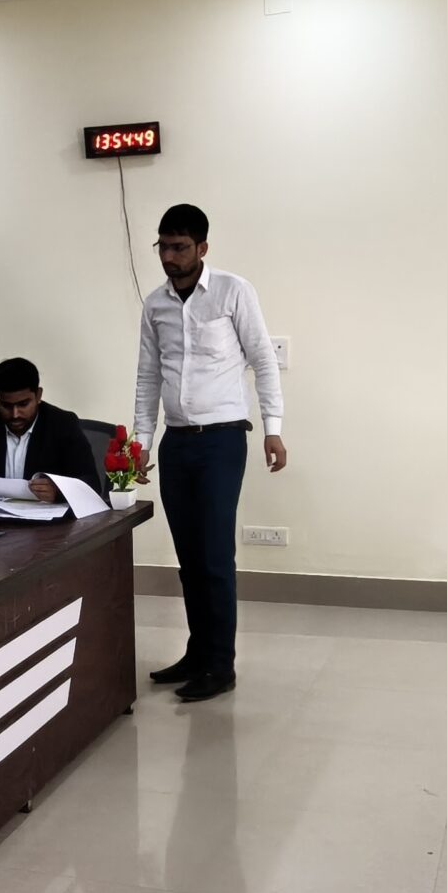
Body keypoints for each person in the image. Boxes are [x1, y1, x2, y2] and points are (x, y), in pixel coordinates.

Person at [130, 203, 285, 703]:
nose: (168, 257)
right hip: (177, 444)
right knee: (189, 557)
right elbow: (148, 376)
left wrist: (273, 429)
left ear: (202, 248)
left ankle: (221, 664)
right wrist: (141, 442)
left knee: (215, 555)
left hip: (222, 440)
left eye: (179, 247)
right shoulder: (155, 305)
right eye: (163, 247)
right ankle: (197, 653)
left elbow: (263, 360)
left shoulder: (232, 292)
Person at [0, 357, 108, 504]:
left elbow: (92, 484)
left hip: (47, 528)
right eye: (6, 406)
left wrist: (58, 491)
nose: (15, 414)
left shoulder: (62, 423)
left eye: (23, 404)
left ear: (38, 395)